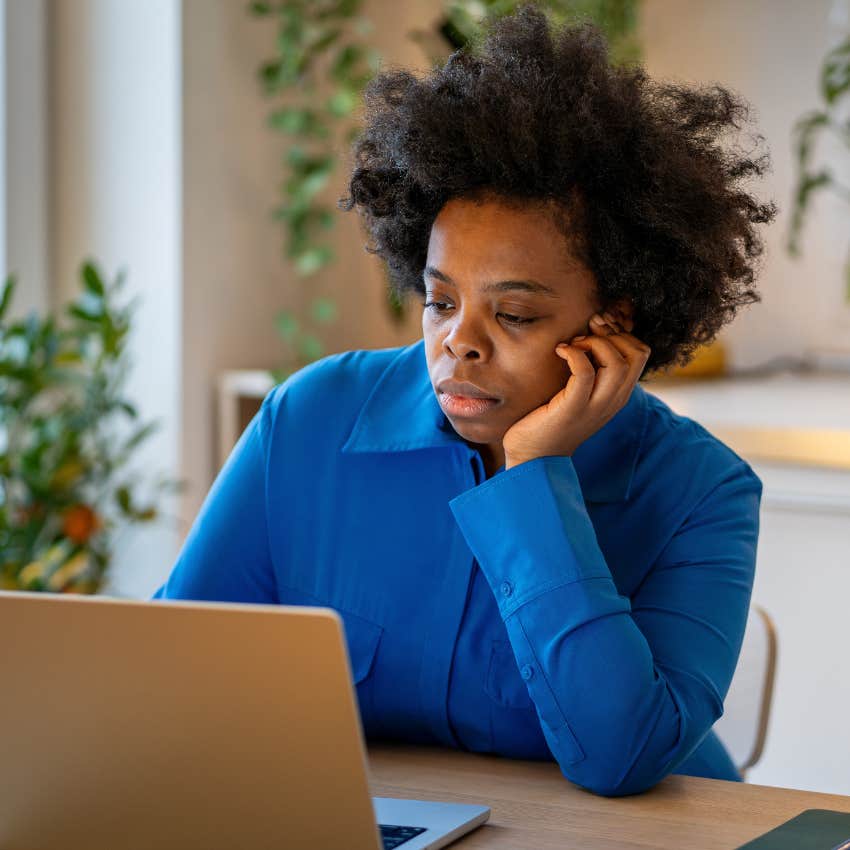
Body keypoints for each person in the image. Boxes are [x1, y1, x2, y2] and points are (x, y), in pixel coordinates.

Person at [152, 4, 776, 797]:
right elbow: (175, 682)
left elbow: (623, 757)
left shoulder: (701, 493)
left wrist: (533, 476)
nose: (459, 344)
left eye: (513, 314)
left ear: (614, 321)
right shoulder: (308, 423)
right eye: (441, 302)